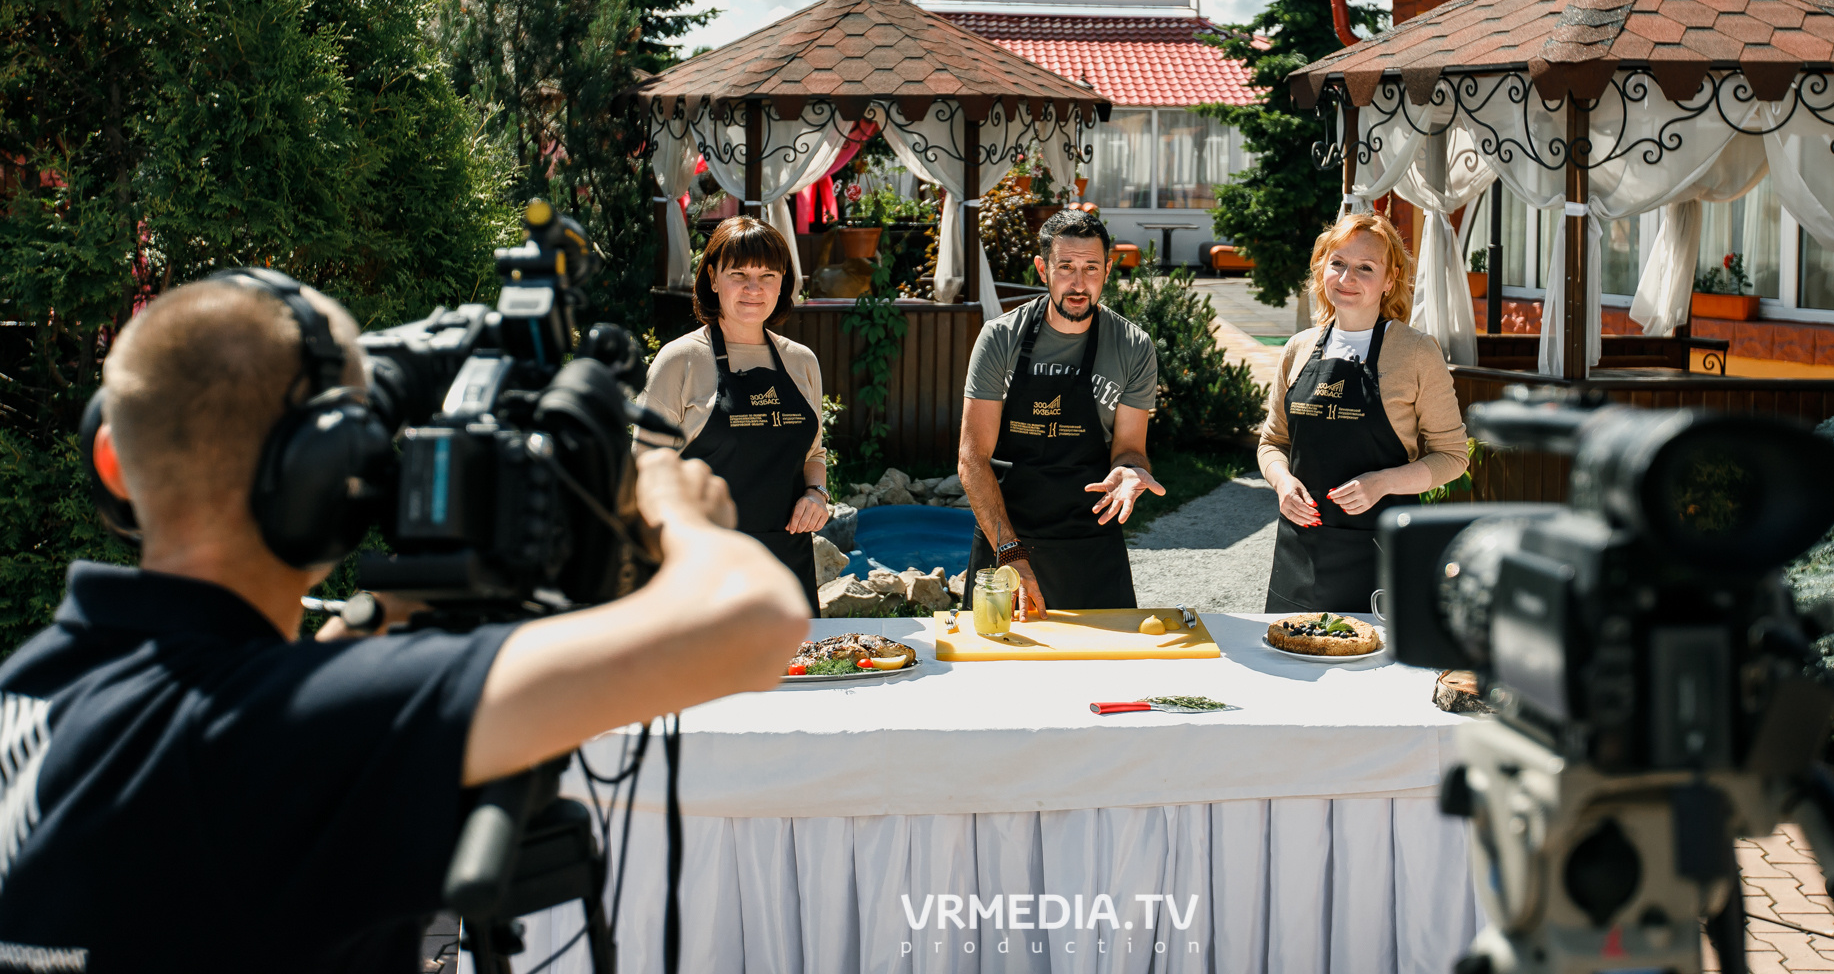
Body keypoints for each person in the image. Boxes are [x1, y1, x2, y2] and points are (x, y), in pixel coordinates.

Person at [0, 274, 806, 971]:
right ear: (330, 471)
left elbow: (249, 739)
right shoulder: (295, 733)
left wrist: (395, 611)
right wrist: (678, 511)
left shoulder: (34, 685)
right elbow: (756, 623)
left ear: (109, 461)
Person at [1259, 211, 1470, 613]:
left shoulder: (1416, 352)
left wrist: (1381, 483)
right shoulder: (1298, 349)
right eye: (1337, 263)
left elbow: (1453, 457)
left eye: (1365, 267)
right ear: (1322, 268)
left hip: (1379, 552)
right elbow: (1272, 442)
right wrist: (1283, 483)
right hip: (1300, 552)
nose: (1346, 277)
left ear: (1390, 280)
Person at [958, 210, 1163, 617]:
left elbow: (1128, 449)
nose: (1079, 283)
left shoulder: (1133, 347)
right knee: (995, 672)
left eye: (1090, 268)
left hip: (1091, 548)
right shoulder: (1000, 338)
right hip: (1006, 537)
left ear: (1107, 270)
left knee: (1104, 675)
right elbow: (972, 458)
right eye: (1065, 267)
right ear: (1042, 269)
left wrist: (1130, 469)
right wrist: (1010, 552)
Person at [640, 217, 831, 612]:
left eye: (767, 275)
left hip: (786, 563)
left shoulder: (802, 362)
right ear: (712, 278)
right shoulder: (680, 361)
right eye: (738, 274)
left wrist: (816, 494)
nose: (753, 289)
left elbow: (814, 454)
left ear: (783, 282)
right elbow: (645, 474)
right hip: (704, 569)